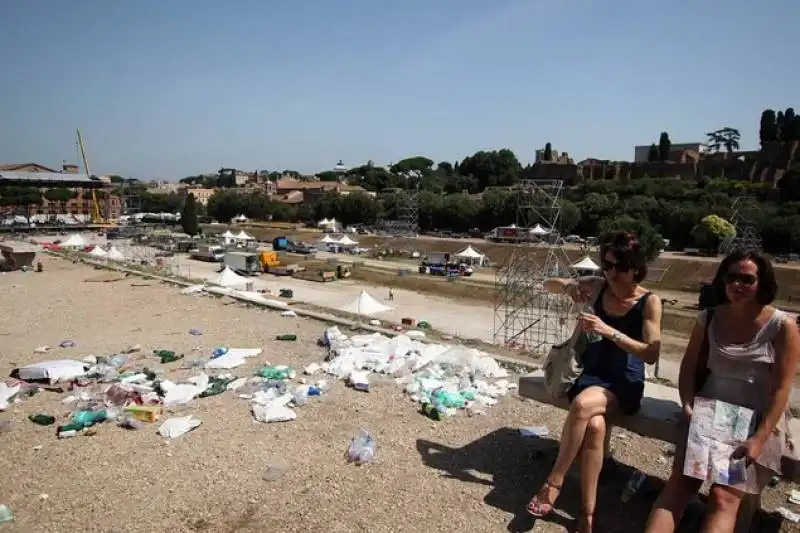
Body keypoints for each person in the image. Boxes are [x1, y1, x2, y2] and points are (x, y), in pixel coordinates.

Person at [645, 250, 800, 533]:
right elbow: (689, 367)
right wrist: (688, 404)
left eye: (747, 278)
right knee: (679, 485)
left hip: (757, 418)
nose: (737, 285)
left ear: (761, 282)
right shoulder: (709, 318)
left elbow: (781, 389)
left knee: (723, 496)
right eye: (731, 277)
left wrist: (758, 439)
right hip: (709, 411)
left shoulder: (783, 327)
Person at [528, 231, 663, 532]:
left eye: (621, 267)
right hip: (590, 374)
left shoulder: (649, 302)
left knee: (582, 405)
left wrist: (608, 330)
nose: (613, 273)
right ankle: (587, 515)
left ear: (636, 268)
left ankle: (554, 482)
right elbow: (548, 284)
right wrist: (573, 286)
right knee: (595, 427)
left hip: (623, 382)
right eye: (608, 265)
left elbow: (651, 354)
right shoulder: (599, 286)